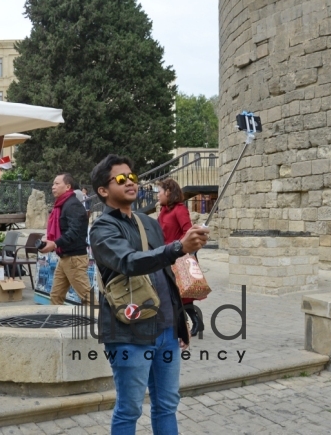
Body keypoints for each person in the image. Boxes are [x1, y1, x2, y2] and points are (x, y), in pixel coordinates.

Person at [89, 154, 209, 435]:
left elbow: (165, 275)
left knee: (167, 405)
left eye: (132, 176)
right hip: (130, 333)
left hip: (166, 331)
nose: (130, 182)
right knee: (129, 409)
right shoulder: (102, 229)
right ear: (103, 191)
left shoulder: (149, 223)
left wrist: (180, 324)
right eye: (121, 179)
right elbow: (129, 262)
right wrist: (178, 247)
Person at [157, 178, 204, 337]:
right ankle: (181, 323)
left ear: (168, 192)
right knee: (171, 292)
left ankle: (195, 321)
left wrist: (178, 246)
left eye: (160, 192)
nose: (158, 195)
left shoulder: (179, 209)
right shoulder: (163, 210)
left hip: (178, 255)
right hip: (165, 255)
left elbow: (187, 231)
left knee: (183, 294)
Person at [38, 173, 91, 306]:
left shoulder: (72, 205)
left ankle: (99, 324)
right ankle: (55, 323)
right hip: (65, 258)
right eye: (53, 184)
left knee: (88, 299)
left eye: (57, 184)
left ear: (68, 187)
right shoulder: (61, 205)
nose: (53, 187)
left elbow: (74, 232)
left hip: (75, 258)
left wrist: (55, 243)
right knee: (56, 296)